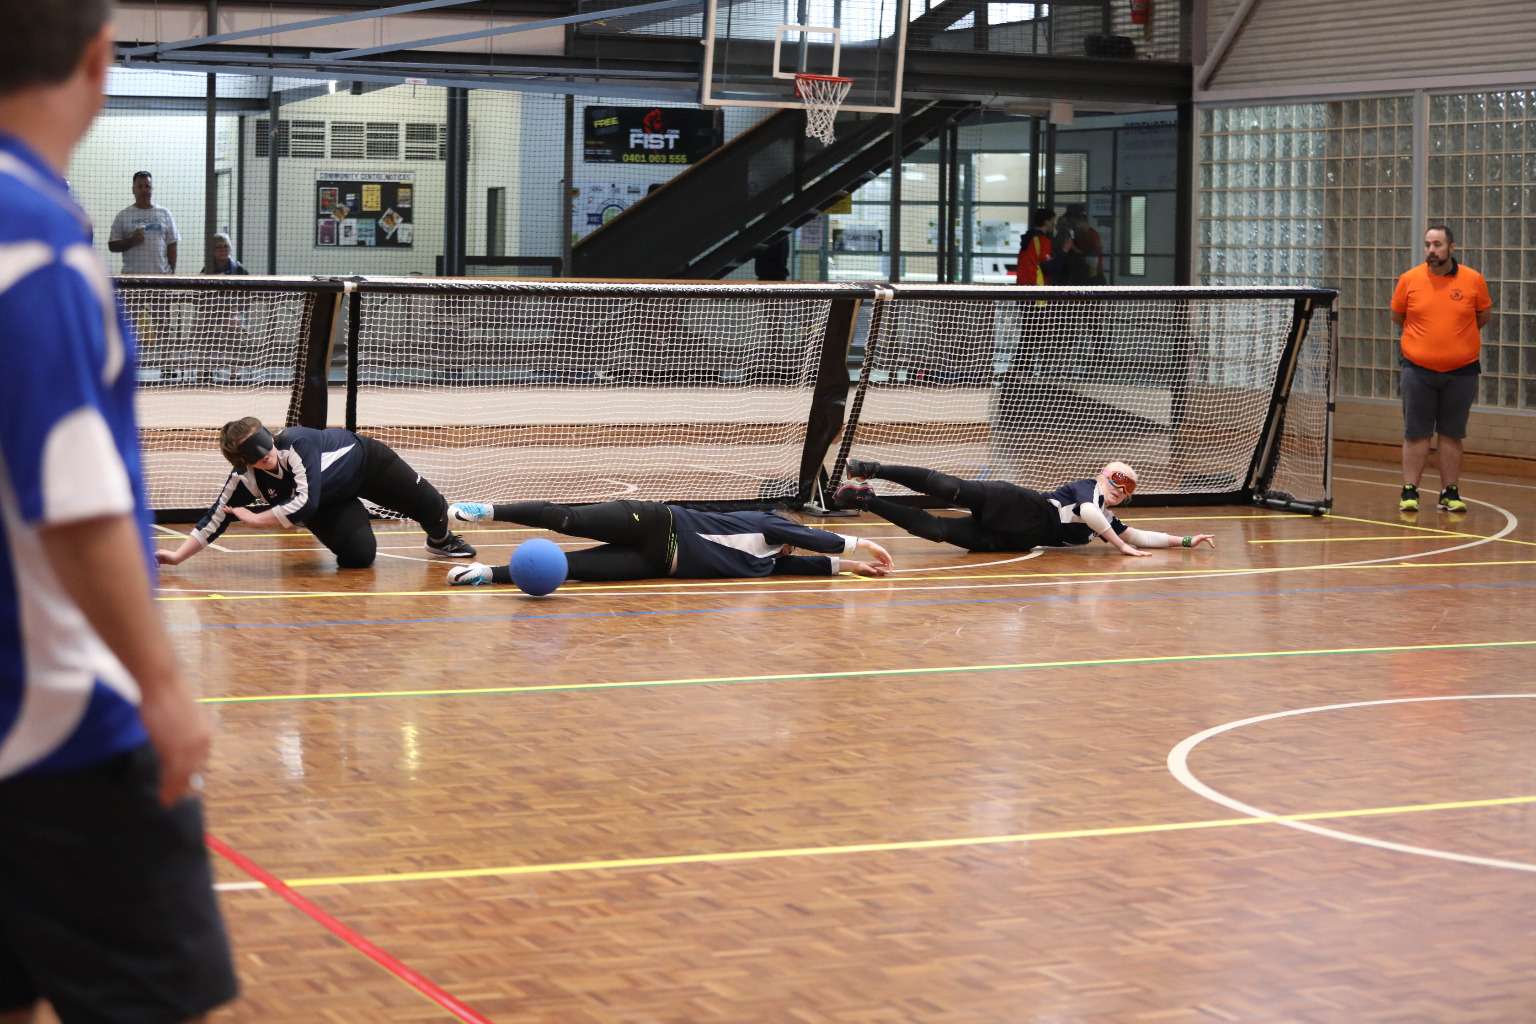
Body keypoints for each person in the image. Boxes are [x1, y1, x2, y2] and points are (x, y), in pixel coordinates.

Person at [0, 3, 237, 1021]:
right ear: (99, 60)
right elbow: (76, 497)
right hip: (54, 721)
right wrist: (161, 681)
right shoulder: (40, 241)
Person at [156, 419, 477, 570]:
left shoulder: (296, 443)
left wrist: (257, 520)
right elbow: (215, 517)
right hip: (329, 501)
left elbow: (304, 501)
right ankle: (354, 517)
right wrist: (177, 556)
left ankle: (440, 542)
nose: (266, 454)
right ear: (241, 461)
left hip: (367, 465)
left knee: (434, 506)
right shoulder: (244, 479)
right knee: (359, 558)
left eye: (264, 443)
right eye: (253, 453)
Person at [443, 499, 894, 585]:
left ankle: (485, 573)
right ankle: (489, 510)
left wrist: (854, 569)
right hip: (657, 523)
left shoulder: (767, 564)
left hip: (655, 563)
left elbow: (804, 565)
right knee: (568, 520)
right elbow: (811, 537)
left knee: (569, 569)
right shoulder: (767, 524)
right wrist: (861, 545)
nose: (801, 547)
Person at [833, 459, 1214, 557]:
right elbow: (1089, 514)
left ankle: (864, 498)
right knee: (951, 489)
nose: (1119, 488)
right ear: (1104, 476)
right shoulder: (1089, 492)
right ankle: (874, 470)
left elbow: (1142, 535)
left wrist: (1184, 540)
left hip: (1017, 540)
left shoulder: (1110, 517)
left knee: (937, 531)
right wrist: (1121, 547)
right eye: (1115, 479)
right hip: (1022, 506)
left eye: (1126, 487)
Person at [1390, 224, 1491, 514]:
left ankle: (1450, 492)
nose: (1431, 251)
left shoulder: (1473, 280)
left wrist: (1455, 341)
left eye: (1437, 245)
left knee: (1451, 433)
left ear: (1451, 247)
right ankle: (1410, 490)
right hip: (1417, 370)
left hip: (1462, 372)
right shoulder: (1410, 280)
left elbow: (1483, 315)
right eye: (1427, 245)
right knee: (1416, 432)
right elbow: (1398, 315)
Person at [107, 169, 179, 274]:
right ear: (133, 190)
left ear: (152, 189)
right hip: (132, 280)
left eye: (147, 186)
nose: (144, 190)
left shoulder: (165, 214)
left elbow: (172, 244)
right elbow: (112, 246)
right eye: (140, 186)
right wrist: (132, 241)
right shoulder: (123, 215)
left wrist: (171, 274)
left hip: (161, 279)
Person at [1014, 207, 1068, 286]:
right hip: (1036, 285)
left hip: (1023, 284)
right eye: (1053, 221)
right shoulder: (1042, 241)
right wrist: (1064, 251)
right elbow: (1049, 268)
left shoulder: (1028, 238)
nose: (1054, 224)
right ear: (1046, 222)